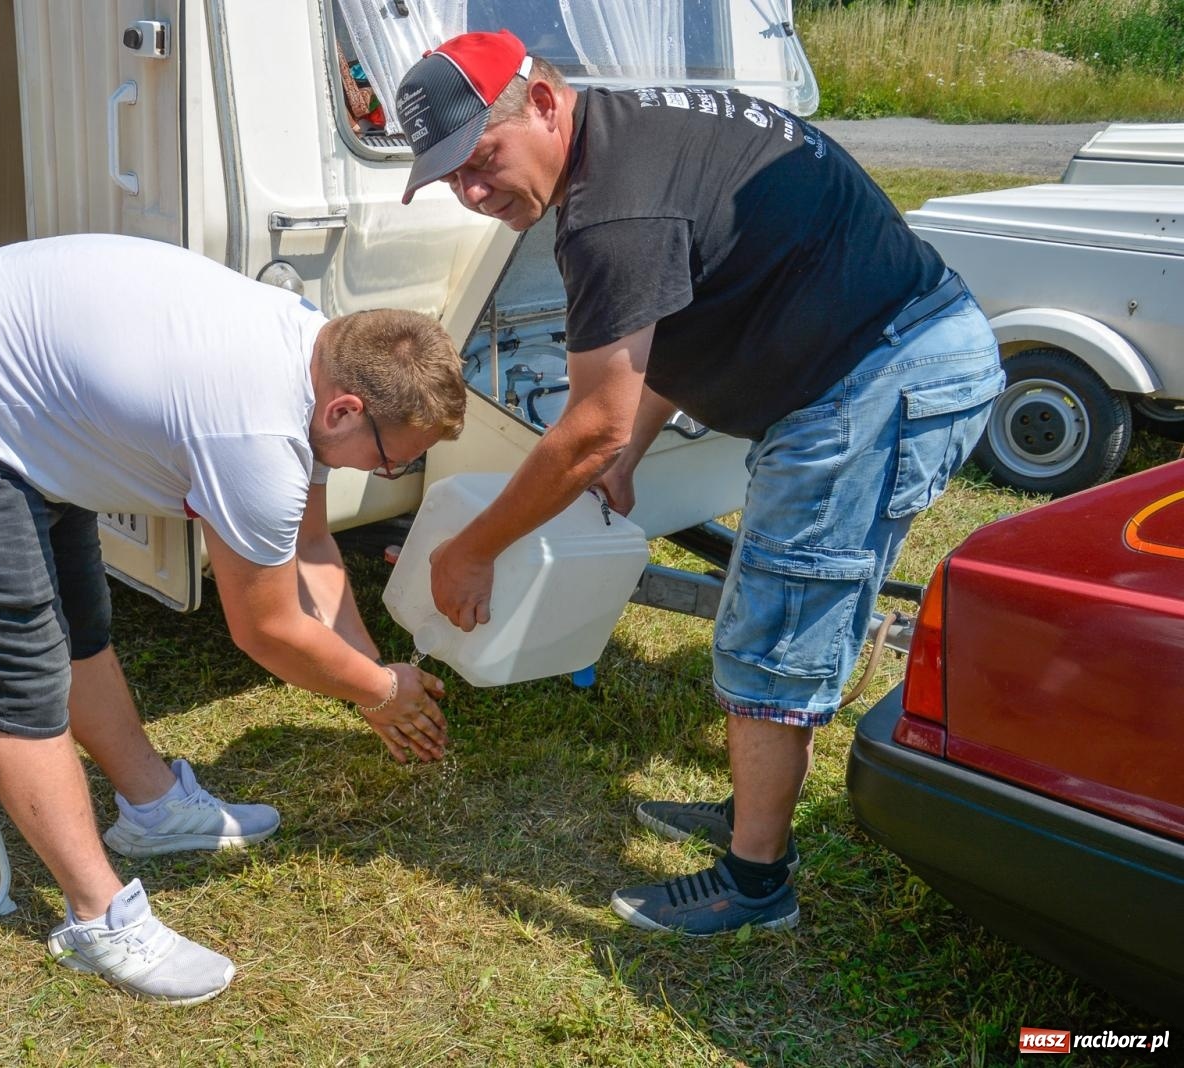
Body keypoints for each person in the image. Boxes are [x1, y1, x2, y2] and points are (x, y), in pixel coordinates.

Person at [396, 31, 1003, 935]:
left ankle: (757, 885)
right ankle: (754, 812)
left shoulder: (612, 213)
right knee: (772, 604)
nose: (473, 192)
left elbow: (589, 425)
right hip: (874, 357)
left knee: (774, 627)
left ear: (546, 104)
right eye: (450, 178)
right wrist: (634, 451)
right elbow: (689, 311)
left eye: (481, 159)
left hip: (879, 375)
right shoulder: (630, 139)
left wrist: (474, 549)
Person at [0, 234, 461, 1004]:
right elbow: (265, 629)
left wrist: (374, 683)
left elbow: (311, 542)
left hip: (8, 402)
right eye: (391, 460)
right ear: (345, 409)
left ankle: (152, 809)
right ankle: (99, 920)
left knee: (80, 627)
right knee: (21, 680)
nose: (386, 474)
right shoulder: (255, 433)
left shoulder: (318, 352)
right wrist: (378, 690)